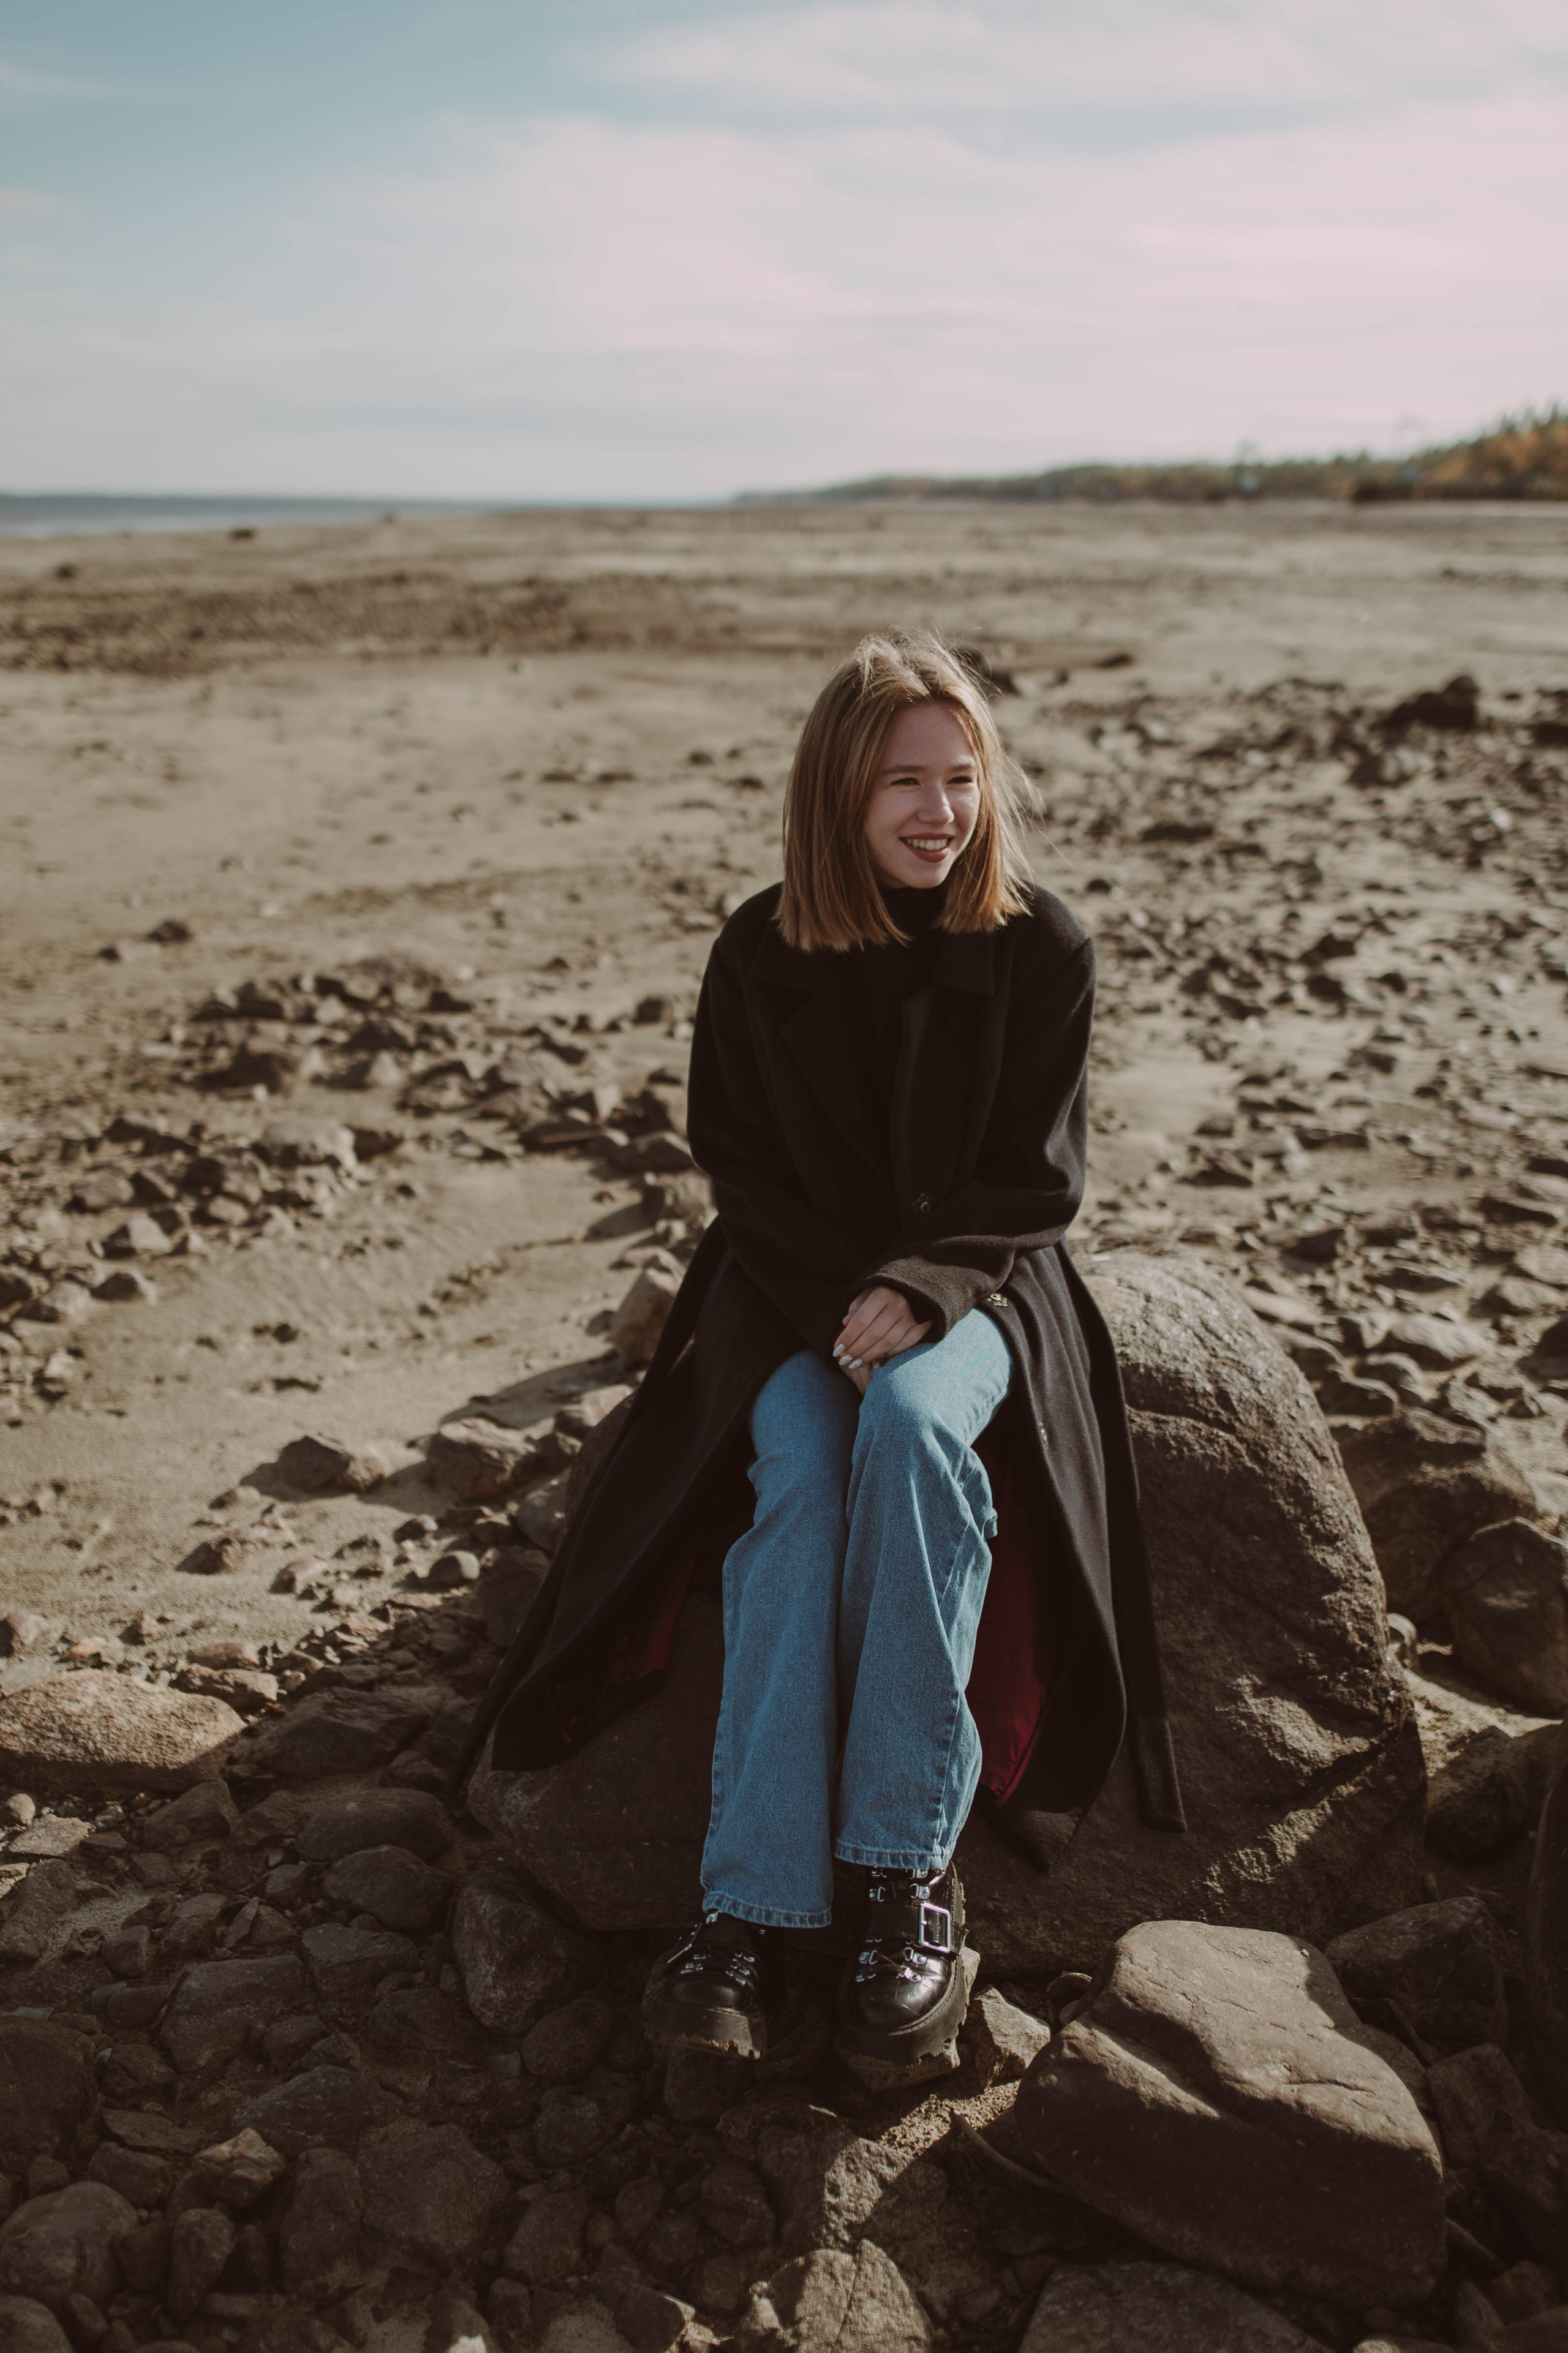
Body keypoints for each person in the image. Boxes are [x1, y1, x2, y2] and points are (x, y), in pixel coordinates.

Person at [460, 631, 1184, 2087]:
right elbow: (735, 1159)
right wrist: (835, 1311)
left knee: (915, 1432)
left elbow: (1034, 1182)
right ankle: (750, 1902)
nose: (937, 812)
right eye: (902, 783)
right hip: (789, 1296)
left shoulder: (1042, 945)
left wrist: (918, 1296)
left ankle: (901, 1876)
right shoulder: (758, 949)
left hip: (984, 1292)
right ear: (834, 796)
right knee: (796, 1453)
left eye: (959, 779)